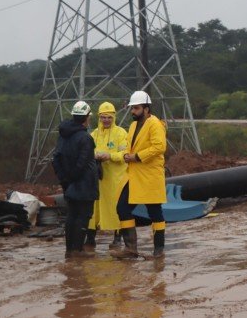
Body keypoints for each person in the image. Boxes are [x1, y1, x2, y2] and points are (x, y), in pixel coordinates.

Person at [111, 91, 168, 259]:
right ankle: (131, 248)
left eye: (136, 108)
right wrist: (126, 155)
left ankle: (159, 249)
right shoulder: (134, 125)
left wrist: (137, 156)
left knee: (155, 212)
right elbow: (130, 147)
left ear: (146, 108)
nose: (132, 111)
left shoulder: (155, 124)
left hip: (150, 175)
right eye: (132, 108)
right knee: (122, 208)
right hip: (134, 174)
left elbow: (159, 147)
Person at [52, 100, 99, 258]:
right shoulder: (85, 138)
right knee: (83, 216)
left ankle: (69, 250)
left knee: (71, 215)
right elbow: (83, 163)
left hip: (69, 185)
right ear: (87, 118)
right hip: (84, 185)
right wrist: (72, 178)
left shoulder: (63, 136)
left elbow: (55, 159)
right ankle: (77, 250)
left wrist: (64, 180)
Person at [84, 102, 129, 251]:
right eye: (103, 117)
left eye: (109, 117)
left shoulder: (121, 133)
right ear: (99, 117)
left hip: (114, 180)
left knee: (116, 208)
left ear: (114, 117)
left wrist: (109, 156)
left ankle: (117, 237)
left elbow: (125, 154)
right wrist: (95, 156)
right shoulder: (94, 134)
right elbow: (86, 153)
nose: (106, 120)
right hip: (97, 179)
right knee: (94, 209)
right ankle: (90, 238)